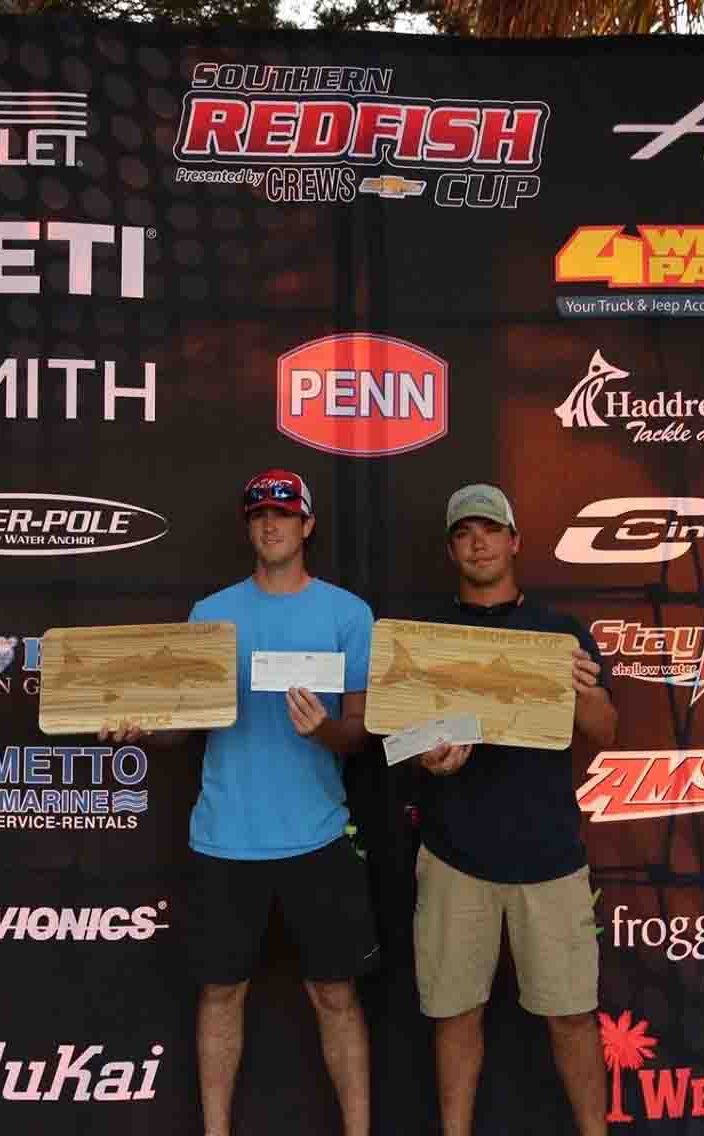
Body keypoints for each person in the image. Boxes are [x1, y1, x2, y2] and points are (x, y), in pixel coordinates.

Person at [101, 469, 378, 1136]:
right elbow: (182, 727)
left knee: (336, 995)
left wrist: (326, 729)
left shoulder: (348, 614)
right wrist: (139, 724)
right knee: (221, 993)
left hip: (316, 834)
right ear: (248, 527)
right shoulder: (210, 613)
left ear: (307, 525)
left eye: (284, 513)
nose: (271, 525)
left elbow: (364, 731)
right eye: (258, 515)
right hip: (226, 836)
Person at [414, 484, 616, 1136]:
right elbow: (407, 736)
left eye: (491, 529)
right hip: (455, 855)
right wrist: (430, 754)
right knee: (456, 1014)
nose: (479, 542)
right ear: (452, 548)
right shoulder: (428, 639)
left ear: (514, 540)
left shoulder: (561, 634)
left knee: (573, 1016)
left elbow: (605, 730)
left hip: (551, 856)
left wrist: (585, 696)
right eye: (466, 532)